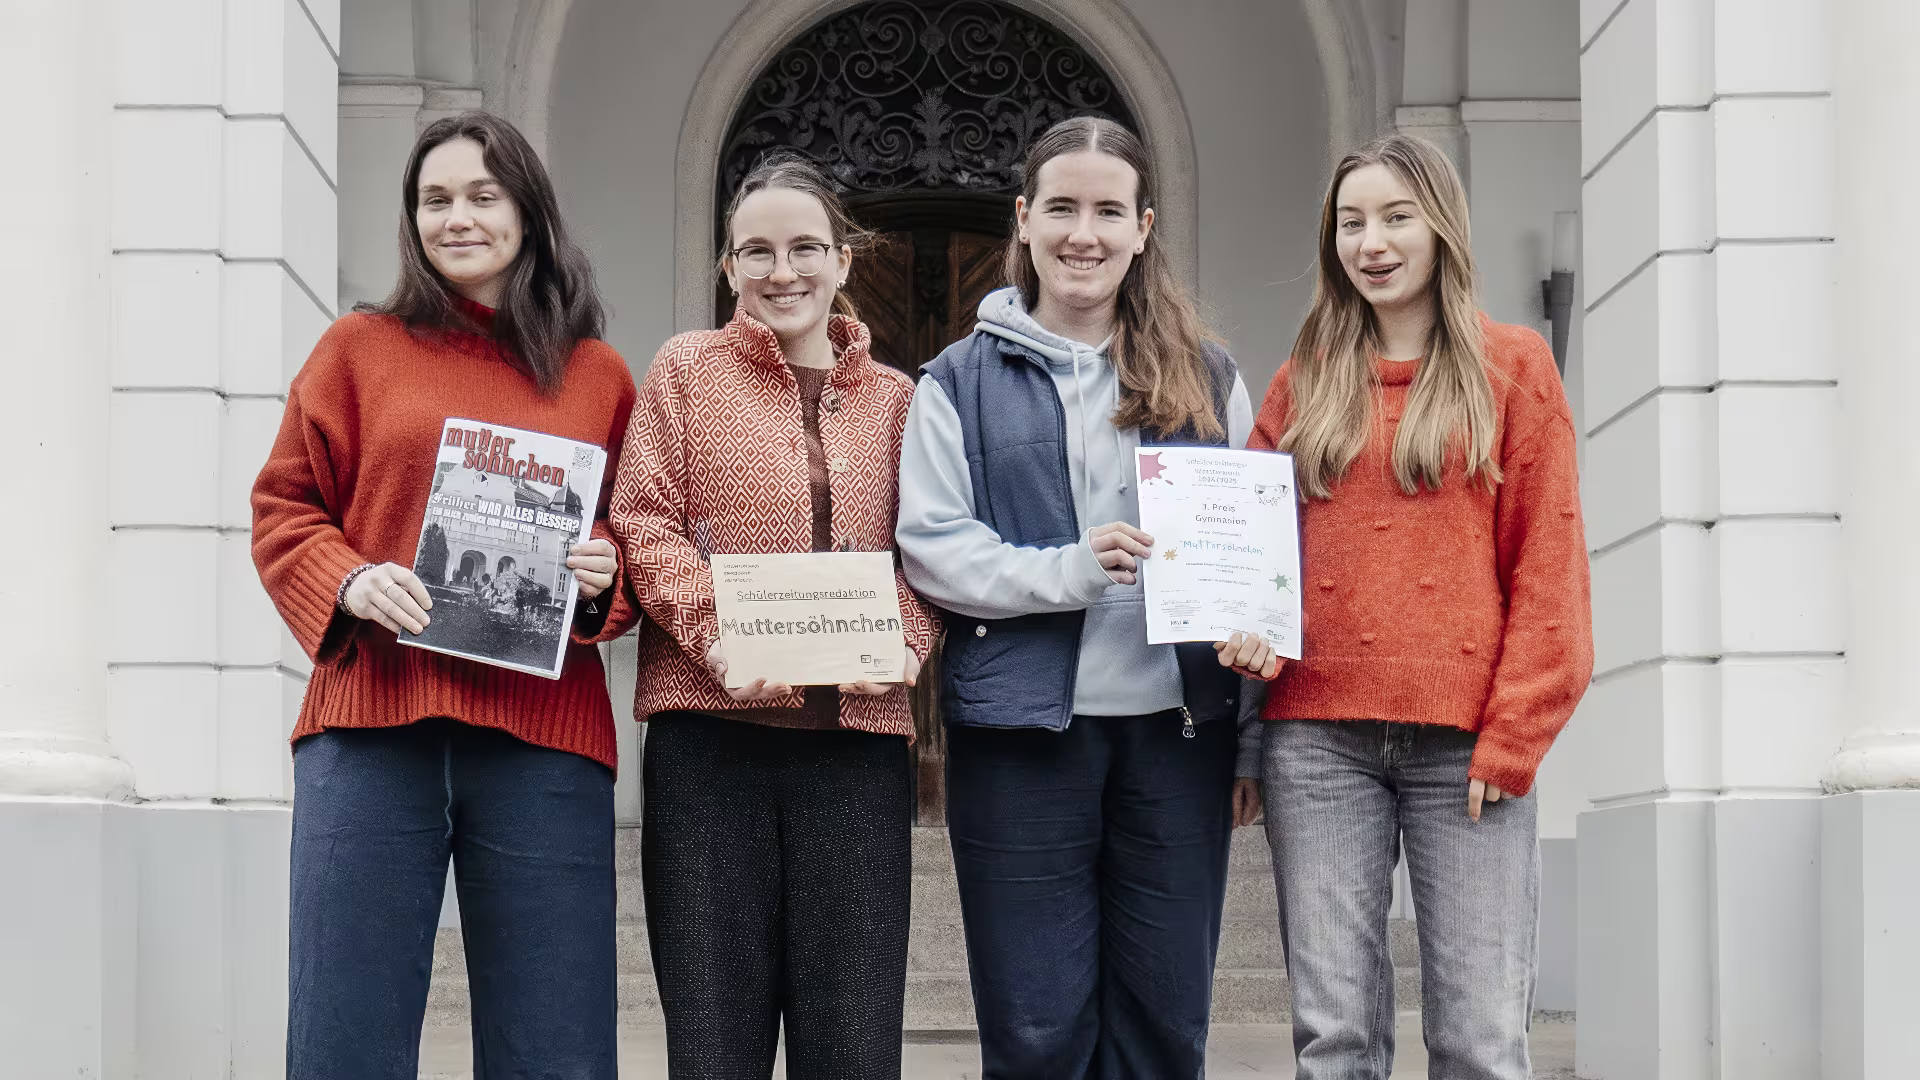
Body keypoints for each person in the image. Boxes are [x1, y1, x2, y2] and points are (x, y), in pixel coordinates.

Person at [250, 111, 637, 1080]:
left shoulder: (599, 376)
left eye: (481, 196)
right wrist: (349, 579)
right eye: (434, 200)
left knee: (557, 1045)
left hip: (544, 743)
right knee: (344, 1036)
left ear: (528, 212)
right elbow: (285, 506)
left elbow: (637, 537)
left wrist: (602, 579)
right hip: (373, 731)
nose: (456, 218)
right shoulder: (357, 349)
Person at [896, 115, 1279, 1078]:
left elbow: (1257, 544)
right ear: (1022, 221)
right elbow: (933, 549)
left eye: (1109, 211)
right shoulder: (957, 381)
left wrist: (1253, 654)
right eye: (1061, 207)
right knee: (1034, 1031)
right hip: (1024, 740)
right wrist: (1069, 569)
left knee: (1165, 1024)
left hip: (1178, 737)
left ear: (1144, 228)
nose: (1085, 233)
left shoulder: (1210, 376)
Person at [1241, 133, 1593, 1079]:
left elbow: (1550, 571)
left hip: (1468, 749)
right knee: (1335, 1037)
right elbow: (1247, 549)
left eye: (1397, 217)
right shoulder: (1303, 377)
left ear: (1441, 228)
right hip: (1315, 743)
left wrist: (1517, 735)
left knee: (1480, 1039)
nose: (1374, 241)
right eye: (1352, 222)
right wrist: (1241, 627)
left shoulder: (1514, 370)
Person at [606, 152, 937, 1079]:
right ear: (728, 267)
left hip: (856, 749)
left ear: (843, 259)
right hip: (710, 749)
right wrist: (719, 641)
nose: (781, 271)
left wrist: (907, 647)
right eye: (756, 251)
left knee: (854, 1042)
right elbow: (645, 522)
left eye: (804, 248)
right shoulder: (684, 370)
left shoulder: (900, 400)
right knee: (714, 1040)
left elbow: (931, 553)